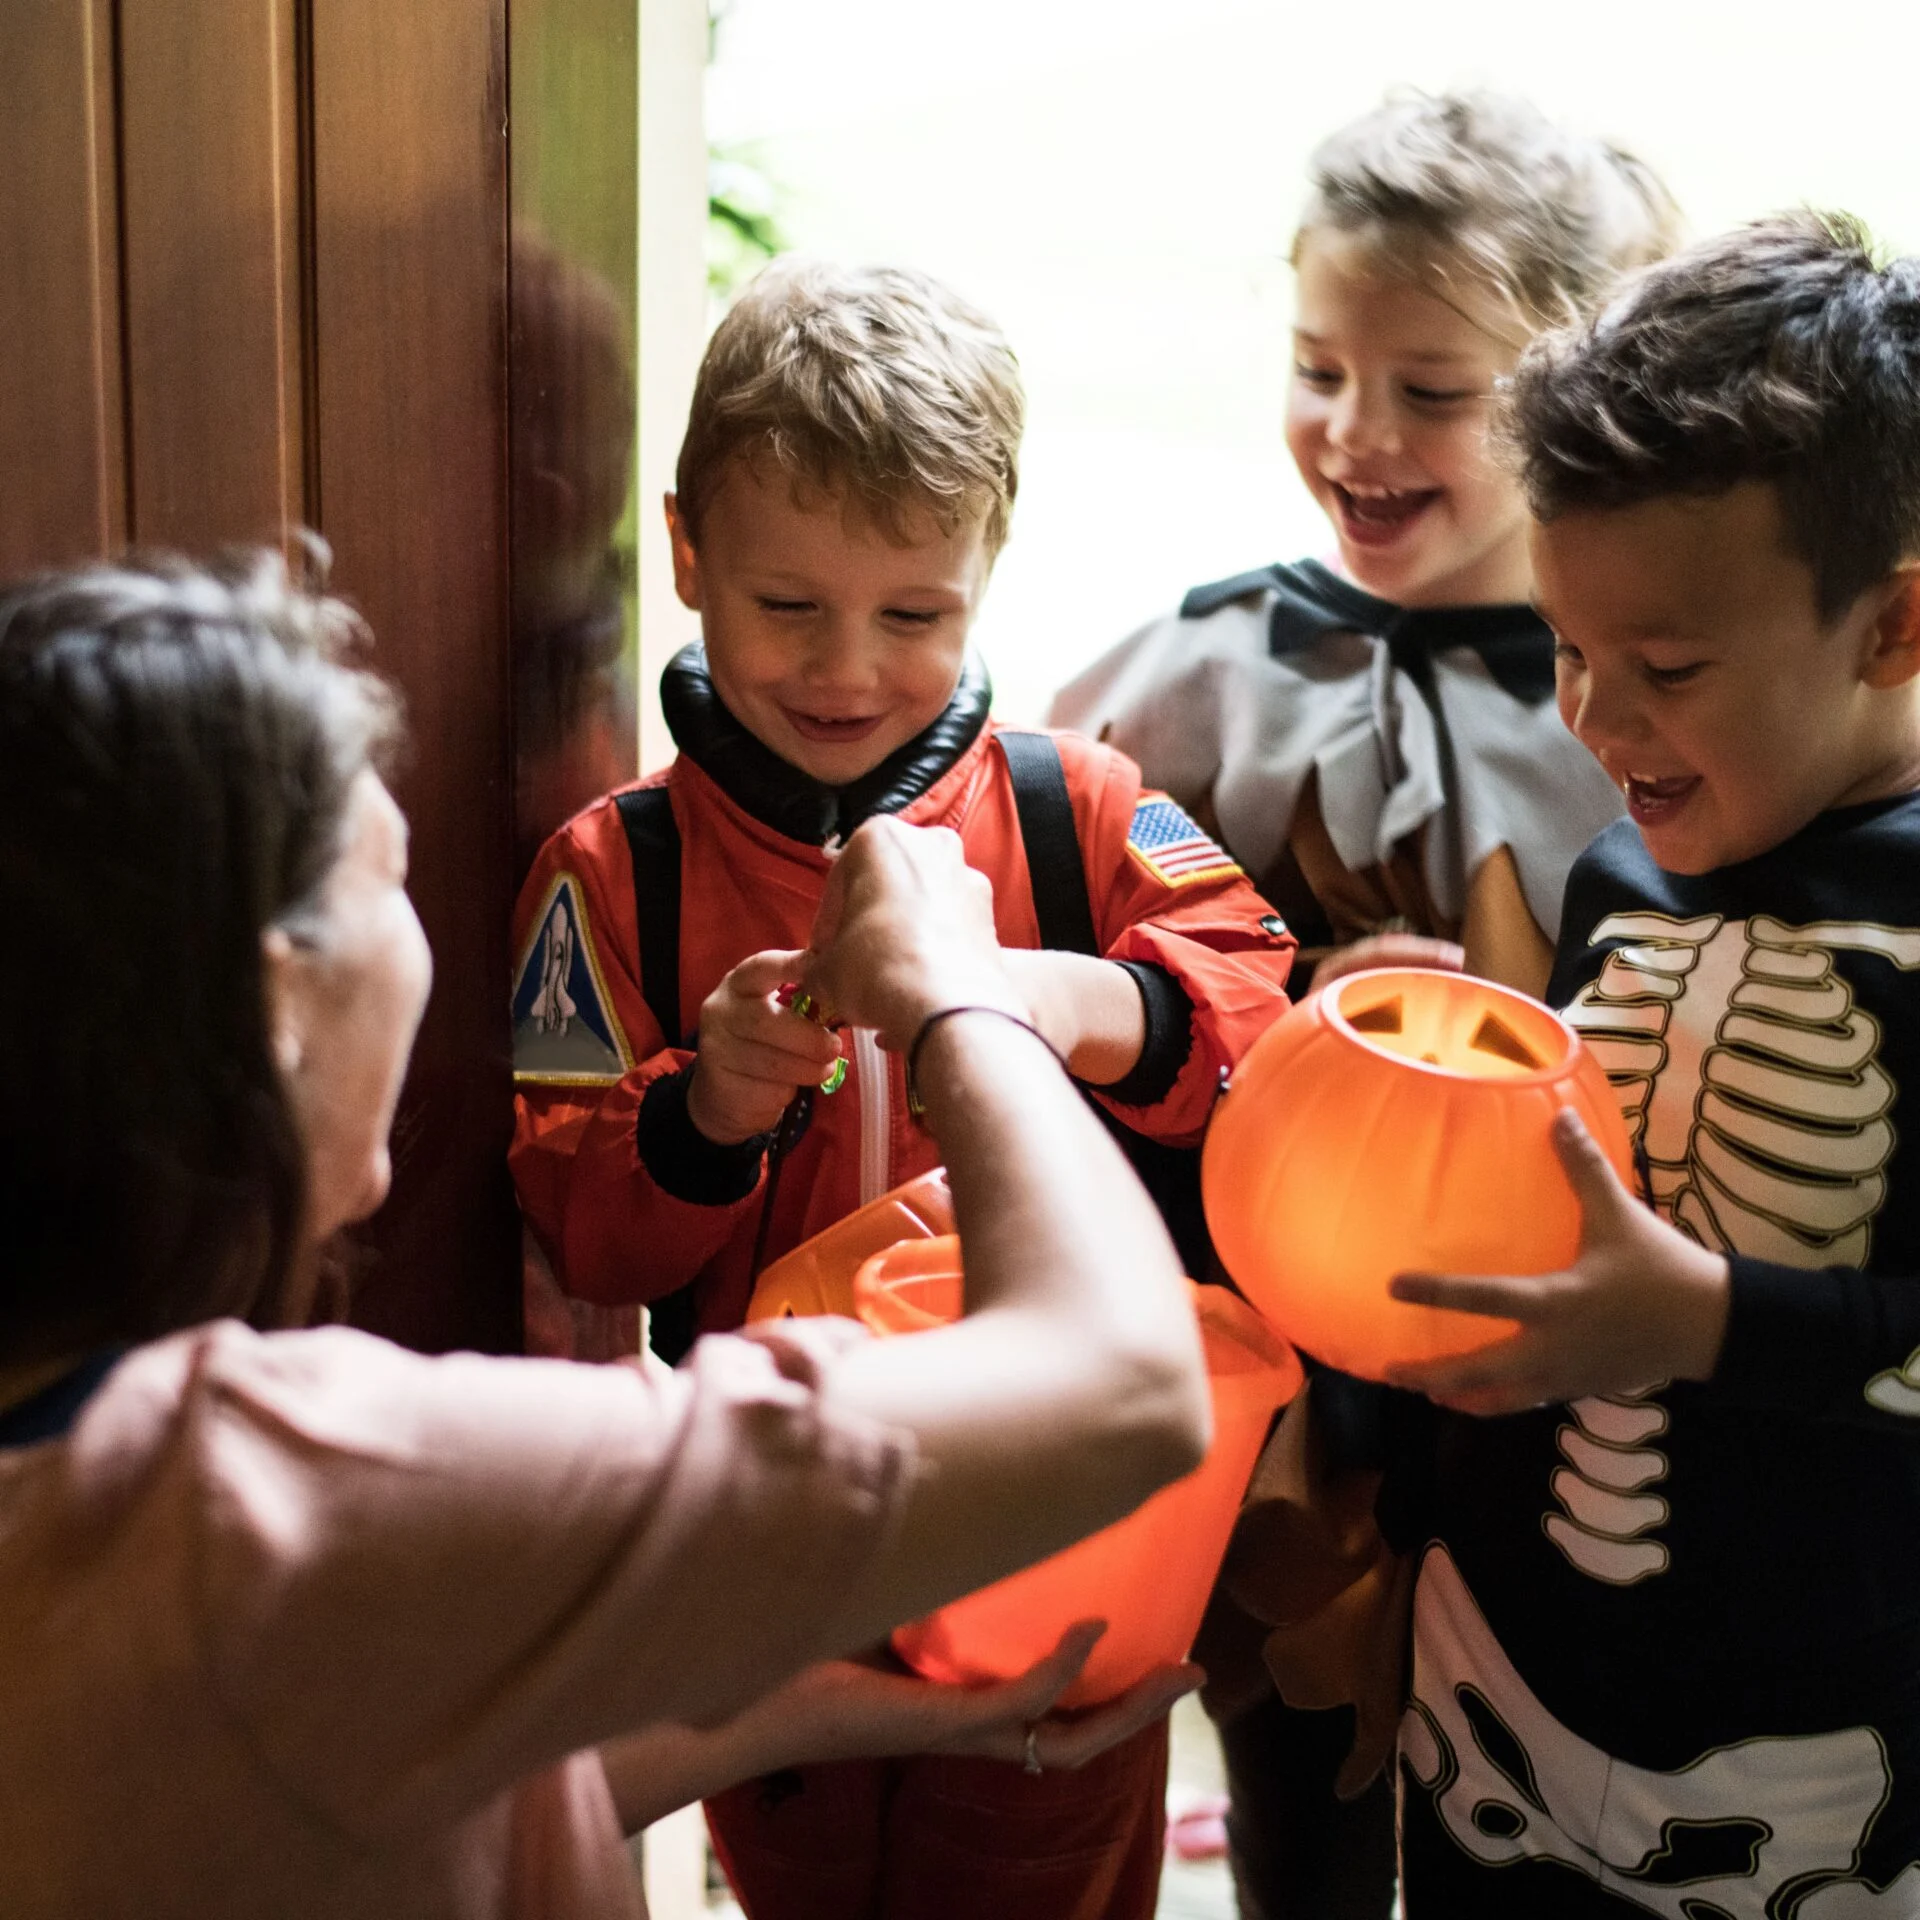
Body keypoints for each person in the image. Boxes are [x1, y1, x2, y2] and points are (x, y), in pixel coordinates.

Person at [0, 550, 1214, 1920]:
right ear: (279, 1002)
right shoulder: (298, 1505)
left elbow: (413, 1762)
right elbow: (1130, 1386)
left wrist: (882, 1714)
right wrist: (960, 999)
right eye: (391, 875)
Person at [508, 258, 1297, 1920]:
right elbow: (578, 1224)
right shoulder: (612, 874)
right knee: (800, 1872)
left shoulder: (1085, 810)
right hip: (783, 1535)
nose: (848, 670)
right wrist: (705, 1111)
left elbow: (1257, 1007)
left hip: (1057, 1509)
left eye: (915, 616)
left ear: (990, 565)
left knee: (1046, 1859)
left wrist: (1019, 994)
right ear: (688, 553)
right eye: (788, 606)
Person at [1051, 89, 1683, 1920]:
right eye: (1321, 369)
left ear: (1565, 395)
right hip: (1264, 1358)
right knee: (1295, 1742)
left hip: (1537, 1380)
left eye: (1433, 390)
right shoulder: (1200, 669)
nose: (1358, 432)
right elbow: (1068, 926)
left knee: (1529, 1768)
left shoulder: (1638, 697)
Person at [1376, 213, 1920, 1914]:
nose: (1593, 724)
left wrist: (1707, 1324)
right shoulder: (1617, 875)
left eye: (1666, 669)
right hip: (1491, 1710)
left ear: (1894, 625)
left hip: (1822, 1789)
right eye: (1567, 647)